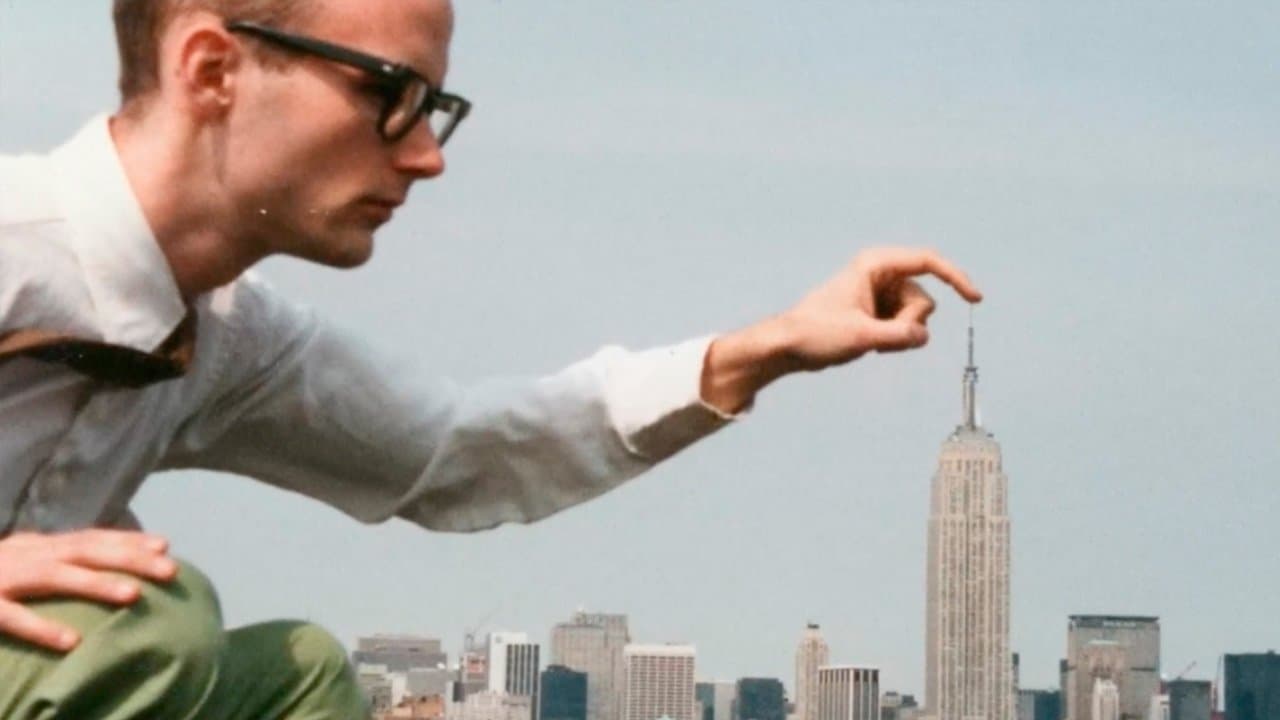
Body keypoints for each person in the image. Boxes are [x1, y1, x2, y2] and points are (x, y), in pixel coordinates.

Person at [0, 0, 982, 717]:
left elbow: (455, 448)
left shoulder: (227, 336)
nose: (427, 155)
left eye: (437, 107)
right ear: (212, 69)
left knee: (303, 677)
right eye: (389, 94)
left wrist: (761, 349)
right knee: (157, 625)